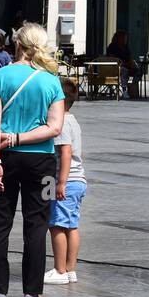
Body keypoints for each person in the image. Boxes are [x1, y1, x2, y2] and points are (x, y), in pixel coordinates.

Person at [0, 23, 66, 297]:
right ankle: (32, 292)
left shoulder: (0, 76)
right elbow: (55, 128)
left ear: (17, 45)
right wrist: (23, 136)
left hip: (3, 155)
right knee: (37, 224)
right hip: (42, 161)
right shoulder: (52, 81)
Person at [45, 77, 86, 286]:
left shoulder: (61, 123)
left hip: (66, 180)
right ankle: (71, 269)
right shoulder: (73, 120)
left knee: (57, 225)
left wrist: (60, 182)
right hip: (78, 180)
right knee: (71, 225)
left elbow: (66, 153)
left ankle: (59, 269)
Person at [106, 30, 138, 100]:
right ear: (118, 38)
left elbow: (130, 57)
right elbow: (112, 59)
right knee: (124, 70)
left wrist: (131, 63)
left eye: (125, 38)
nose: (125, 39)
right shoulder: (112, 47)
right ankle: (124, 90)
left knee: (138, 70)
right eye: (123, 38)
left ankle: (132, 86)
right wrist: (124, 64)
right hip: (116, 67)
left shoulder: (125, 47)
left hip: (127, 65)